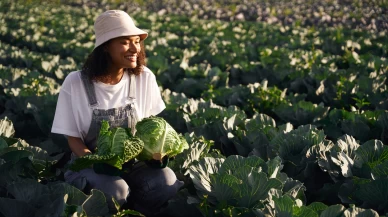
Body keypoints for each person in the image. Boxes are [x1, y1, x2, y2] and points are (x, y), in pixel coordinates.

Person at [51, 10, 183, 215]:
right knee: (114, 190)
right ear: (105, 47)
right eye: (125, 42)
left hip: (135, 163)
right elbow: (73, 139)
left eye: (137, 41)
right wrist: (98, 162)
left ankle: (137, 211)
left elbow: (149, 128)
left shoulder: (144, 78)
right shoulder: (76, 83)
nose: (135, 48)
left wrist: (156, 153)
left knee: (167, 181)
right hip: (90, 164)